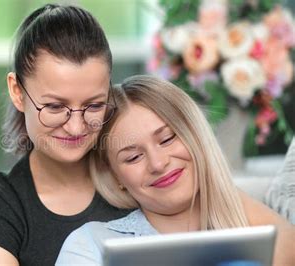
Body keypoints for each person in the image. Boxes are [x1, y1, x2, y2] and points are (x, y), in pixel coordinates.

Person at [56, 75, 295, 265]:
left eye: (168, 138)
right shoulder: (90, 244)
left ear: (196, 136)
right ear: (115, 176)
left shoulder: (253, 233)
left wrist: (218, 187)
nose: (158, 164)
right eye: (133, 157)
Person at [0, 4, 131, 265]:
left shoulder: (136, 175)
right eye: (54, 107)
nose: (76, 127)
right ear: (18, 92)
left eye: (94, 105)